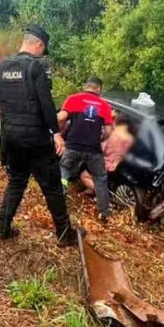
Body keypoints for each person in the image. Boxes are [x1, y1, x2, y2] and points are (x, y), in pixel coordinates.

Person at [0, 25, 79, 246]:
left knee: (16, 182)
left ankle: (2, 229)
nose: (42, 55)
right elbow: (46, 103)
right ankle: (64, 235)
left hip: (10, 138)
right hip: (36, 139)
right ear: (39, 45)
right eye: (43, 50)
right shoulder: (37, 68)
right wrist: (56, 133)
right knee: (52, 187)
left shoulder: (0, 66)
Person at [58, 77, 114, 222]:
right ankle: (104, 213)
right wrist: (100, 139)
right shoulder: (105, 105)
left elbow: (61, 118)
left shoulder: (73, 99)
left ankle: (60, 197)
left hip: (73, 146)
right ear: (99, 89)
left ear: (86, 86)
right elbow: (109, 131)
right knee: (100, 179)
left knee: (64, 170)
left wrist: (59, 132)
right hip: (93, 149)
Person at [79, 114, 135, 194]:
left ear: (116, 123)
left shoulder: (112, 135)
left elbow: (101, 148)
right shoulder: (130, 138)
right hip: (115, 164)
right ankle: (91, 189)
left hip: (104, 163)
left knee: (84, 176)